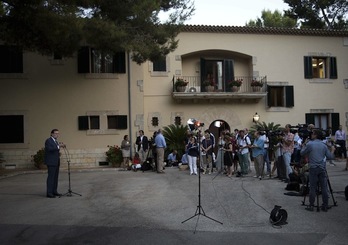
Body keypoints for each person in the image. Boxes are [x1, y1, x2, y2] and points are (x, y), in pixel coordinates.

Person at [300, 129, 335, 212]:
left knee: (312, 187)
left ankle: (311, 205)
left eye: (312, 133)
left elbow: (302, 153)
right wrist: (333, 150)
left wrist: (304, 145)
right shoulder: (324, 145)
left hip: (313, 168)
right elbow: (330, 157)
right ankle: (325, 205)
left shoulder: (310, 144)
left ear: (315, 135)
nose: (311, 135)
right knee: (324, 187)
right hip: (322, 168)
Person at [44, 129, 65, 198]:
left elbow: (55, 150)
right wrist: (59, 146)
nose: (57, 135)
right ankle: (49, 193)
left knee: (55, 178)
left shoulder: (56, 141)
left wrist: (59, 146)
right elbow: (50, 149)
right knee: (51, 177)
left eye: (58, 133)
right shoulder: (48, 140)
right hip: (51, 162)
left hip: (56, 162)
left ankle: (54, 191)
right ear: (51, 134)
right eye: (55, 133)